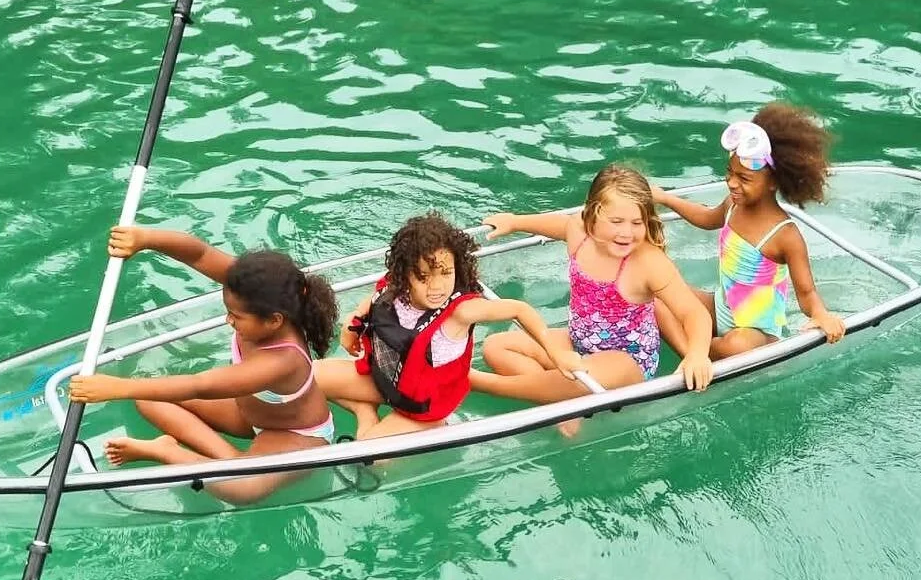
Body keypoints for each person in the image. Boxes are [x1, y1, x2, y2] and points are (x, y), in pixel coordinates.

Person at [69, 227, 337, 505]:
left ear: (274, 320)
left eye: (235, 316)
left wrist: (118, 387)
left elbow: (202, 385)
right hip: (250, 414)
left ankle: (169, 453)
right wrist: (145, 239)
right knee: (147, 398)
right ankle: (227, 460)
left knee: (242, 491)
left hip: (296, 436)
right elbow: (200, 254)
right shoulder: (250, 292)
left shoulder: (282, 360)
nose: (228, 321)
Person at [314, 211, 583, 440]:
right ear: (405, 274)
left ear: (457, 267)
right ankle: (365, 408)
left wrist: (555, 352)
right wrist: (353, 325)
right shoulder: (397, 288)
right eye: (423, 277)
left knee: (367, 457)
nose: (437, 286)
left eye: (446, 273)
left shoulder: (462, 311)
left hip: (425, 408)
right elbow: (373, 299)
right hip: (385, 382)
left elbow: (519, 309)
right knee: (309, 376)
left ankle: (371, 418)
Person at [477, 164, 714, 407]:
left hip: (626, 361)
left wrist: (697, 354)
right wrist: (515, 222)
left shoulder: (648, 262)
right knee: (497, 346)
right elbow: (559, 225)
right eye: (616, 221)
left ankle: (480, 383)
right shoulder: (580, 231)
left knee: (580, 380)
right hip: (578, 342)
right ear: (592, 216)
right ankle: (560, 405)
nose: (627, 233)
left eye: (637, 222)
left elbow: (693, 312)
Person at [652, 103, 846, 360]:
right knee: (655, 296)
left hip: (754, 332)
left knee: (736, 347)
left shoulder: (784, 234)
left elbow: (806, 292)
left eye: (744, 179)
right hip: (719, 306)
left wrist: (821, 315)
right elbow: (708, 218)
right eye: (730, 173)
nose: (732, 183)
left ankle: (697, 354)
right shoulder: (733, 205)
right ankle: (695, 352)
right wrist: (667, 199)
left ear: (773, 182)